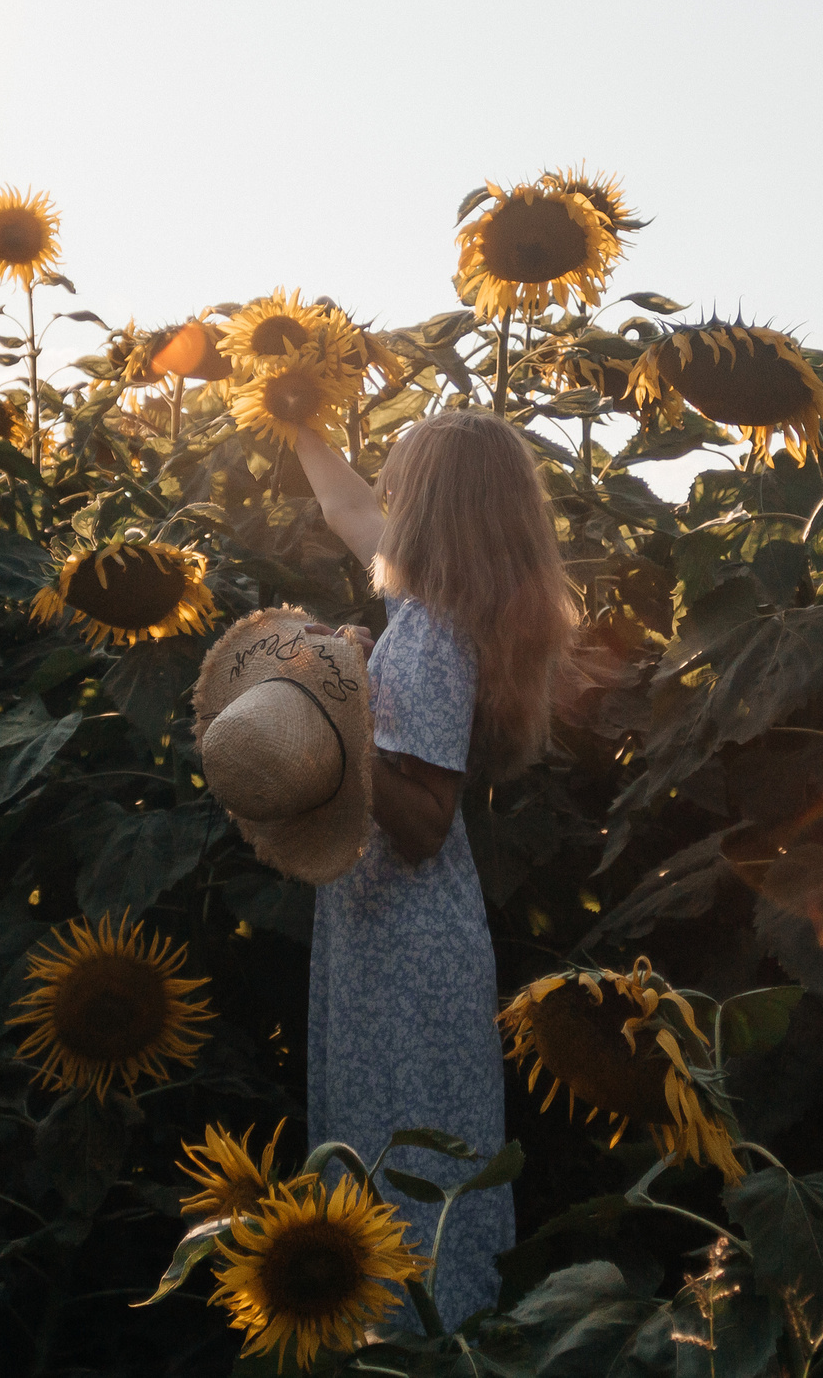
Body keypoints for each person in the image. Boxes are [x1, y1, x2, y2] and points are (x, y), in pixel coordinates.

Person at [288, 408, 575, 1331]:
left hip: (402, 943)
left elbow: (422, 821)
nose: (386, 492)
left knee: (402, 1180)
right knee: (410, 1166)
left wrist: (340, 713)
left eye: (400, 481)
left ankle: (418, 1348)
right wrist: (297, 422)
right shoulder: (437, 613)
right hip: (401, 933)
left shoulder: (430, 636)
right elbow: (349, 513)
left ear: (434, 508)